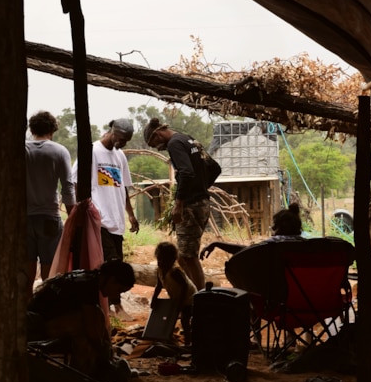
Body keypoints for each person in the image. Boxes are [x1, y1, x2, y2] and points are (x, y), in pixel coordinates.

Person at [27, 259, 135, 381]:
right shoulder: (87, 285)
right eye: (119, 290)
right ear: (112, 280)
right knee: (83, 330)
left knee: (96, 315)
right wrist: (102, 352)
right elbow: (91, 330)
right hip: (36, 324)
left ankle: (87, 372)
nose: (116, 295)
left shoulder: (88, 278)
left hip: (43, 320)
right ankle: (82, 377)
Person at [73, 118, 140, 312]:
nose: (123, 143)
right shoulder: (92, 152)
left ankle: (108, 304)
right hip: (99, 218)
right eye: (121, 138)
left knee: (115, 262)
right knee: (111, 263)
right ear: (112, 132)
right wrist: (85, 208)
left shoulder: (120, 156)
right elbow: (77, 181)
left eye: (127, 140)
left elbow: (123, 188)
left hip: (116, 219)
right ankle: (115, 306)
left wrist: (131, 215)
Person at [143, 117, 213, 290]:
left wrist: (179, 203)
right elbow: (214, 167)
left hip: (190, 206)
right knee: (183, 257)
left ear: (157, 134)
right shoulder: (188, 139)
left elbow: (186, 172)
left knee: (188, 257)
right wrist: (202, 187)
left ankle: (200, 298)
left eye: (155, 144)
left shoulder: (174, 143)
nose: (160, 148)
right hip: (202, 202)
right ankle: (195, 293)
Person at [25, 111, 76, 289]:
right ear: (52, 130)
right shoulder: (59, 151)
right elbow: (67, 187)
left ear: (32, 129)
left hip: (24, 219)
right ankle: (43, 307)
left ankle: (25, 308)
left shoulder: (21, 150)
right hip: (49, 218)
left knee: (26, 268)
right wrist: (72, 218)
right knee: (49, 268)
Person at [199, 202, 305, 259]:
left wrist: (217, 243)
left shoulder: (275, 244)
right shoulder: (306, 245)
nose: (272, 229)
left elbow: (247, 251)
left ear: (281, 226)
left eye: (275, 225)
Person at [152, 241, 197, 346]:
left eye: (164, 260)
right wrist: (154, 298)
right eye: (159, 259)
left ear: (172, 260)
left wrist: (180, 302)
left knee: (185, 320)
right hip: (178, 298)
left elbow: (185, 286)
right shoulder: (159, 270)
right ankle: (169, 337)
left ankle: (188, 342)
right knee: (175, 317)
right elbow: (159, 286)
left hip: (189, 298)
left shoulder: (175, 271)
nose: (160, 262)